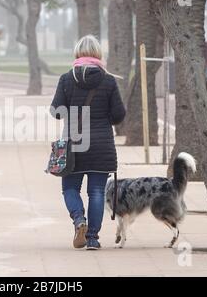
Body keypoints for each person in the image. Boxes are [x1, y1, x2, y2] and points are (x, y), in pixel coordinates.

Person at [50, 35, 126, 250]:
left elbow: (56, 111)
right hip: (102, 146)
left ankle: (78, 220)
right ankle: (92, 238)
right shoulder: (109, 80)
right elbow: (119, 115)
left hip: (73, 145)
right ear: (98, 54)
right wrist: (104, 120)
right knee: (96, 192)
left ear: (76, 54)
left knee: (70, 189)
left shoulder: (66, 79)